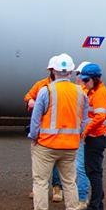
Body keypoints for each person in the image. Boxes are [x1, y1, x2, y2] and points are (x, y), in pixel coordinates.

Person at [20, 53, 85, 210]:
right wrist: (78, 137)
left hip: (46, 145)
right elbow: (84, 119)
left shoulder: (46, 91)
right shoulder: (80, 92)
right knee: (69, 183)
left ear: (52, 71)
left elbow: (36, 118)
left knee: (40, 183)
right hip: (71, 146)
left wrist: (34, 136)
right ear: (71, 72)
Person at [24, 57, 64, 202]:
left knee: (55, 162)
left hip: (57, 131)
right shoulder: (41, 85)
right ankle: (39, 189)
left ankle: (56, 188)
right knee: (40, 162)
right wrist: (30, 100)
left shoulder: (64, 87)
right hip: (43, 130)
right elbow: (28, 95)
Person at [78, 62, 106, 210]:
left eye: (86, 80)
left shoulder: (99, 94)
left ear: (95, 79)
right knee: (95, 173)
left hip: (95, 138)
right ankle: (99, 207)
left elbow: (99, 117)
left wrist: (85, 131)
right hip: (96, 137)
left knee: (94, 174)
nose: (84, 83)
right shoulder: (94, 91)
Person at [73, 62, 94, 208]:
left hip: (83, 134)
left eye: (78, 75)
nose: (76, 77)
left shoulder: (84, 92)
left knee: (80, 166)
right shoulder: (82, 91)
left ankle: (82, 198)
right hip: (78, 133)